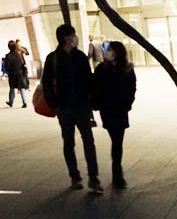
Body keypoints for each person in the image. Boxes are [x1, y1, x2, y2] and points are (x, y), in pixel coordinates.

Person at [41, 23, 103, 194]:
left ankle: (93, 177)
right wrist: (55, 105)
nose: (75, 38)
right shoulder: (53, 58)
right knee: (69, 142)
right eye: (73, 35)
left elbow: (89, 80)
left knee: (88, 141)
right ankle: (74, 176)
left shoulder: (80, 56)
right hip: (65, 108)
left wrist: (92, 101)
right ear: (66, 38)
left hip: (82, 106)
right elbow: (46, 83)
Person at [93, 41, 136, 189]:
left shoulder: (127, 69)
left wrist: (128, 104)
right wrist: (97, 104)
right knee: (116, 139)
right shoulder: (102, 69)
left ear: (117, 53)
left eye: (110, 50)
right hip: (108, 109)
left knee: (117, 141)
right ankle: (117, 172)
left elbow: (132, 88)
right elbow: (95, 87)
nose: (107, 52)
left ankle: (117, 172)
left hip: (120, 109)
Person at [4, 39, 29, 108]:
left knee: (12, 88)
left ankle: (11, 102)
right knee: (22, 88)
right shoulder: (18, 54)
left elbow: (7, 66)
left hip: (12, 74)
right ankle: (25, 102)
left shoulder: (8, 56)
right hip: (20, 73)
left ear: (9, 47)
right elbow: (21, 63)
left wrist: (8, 72)